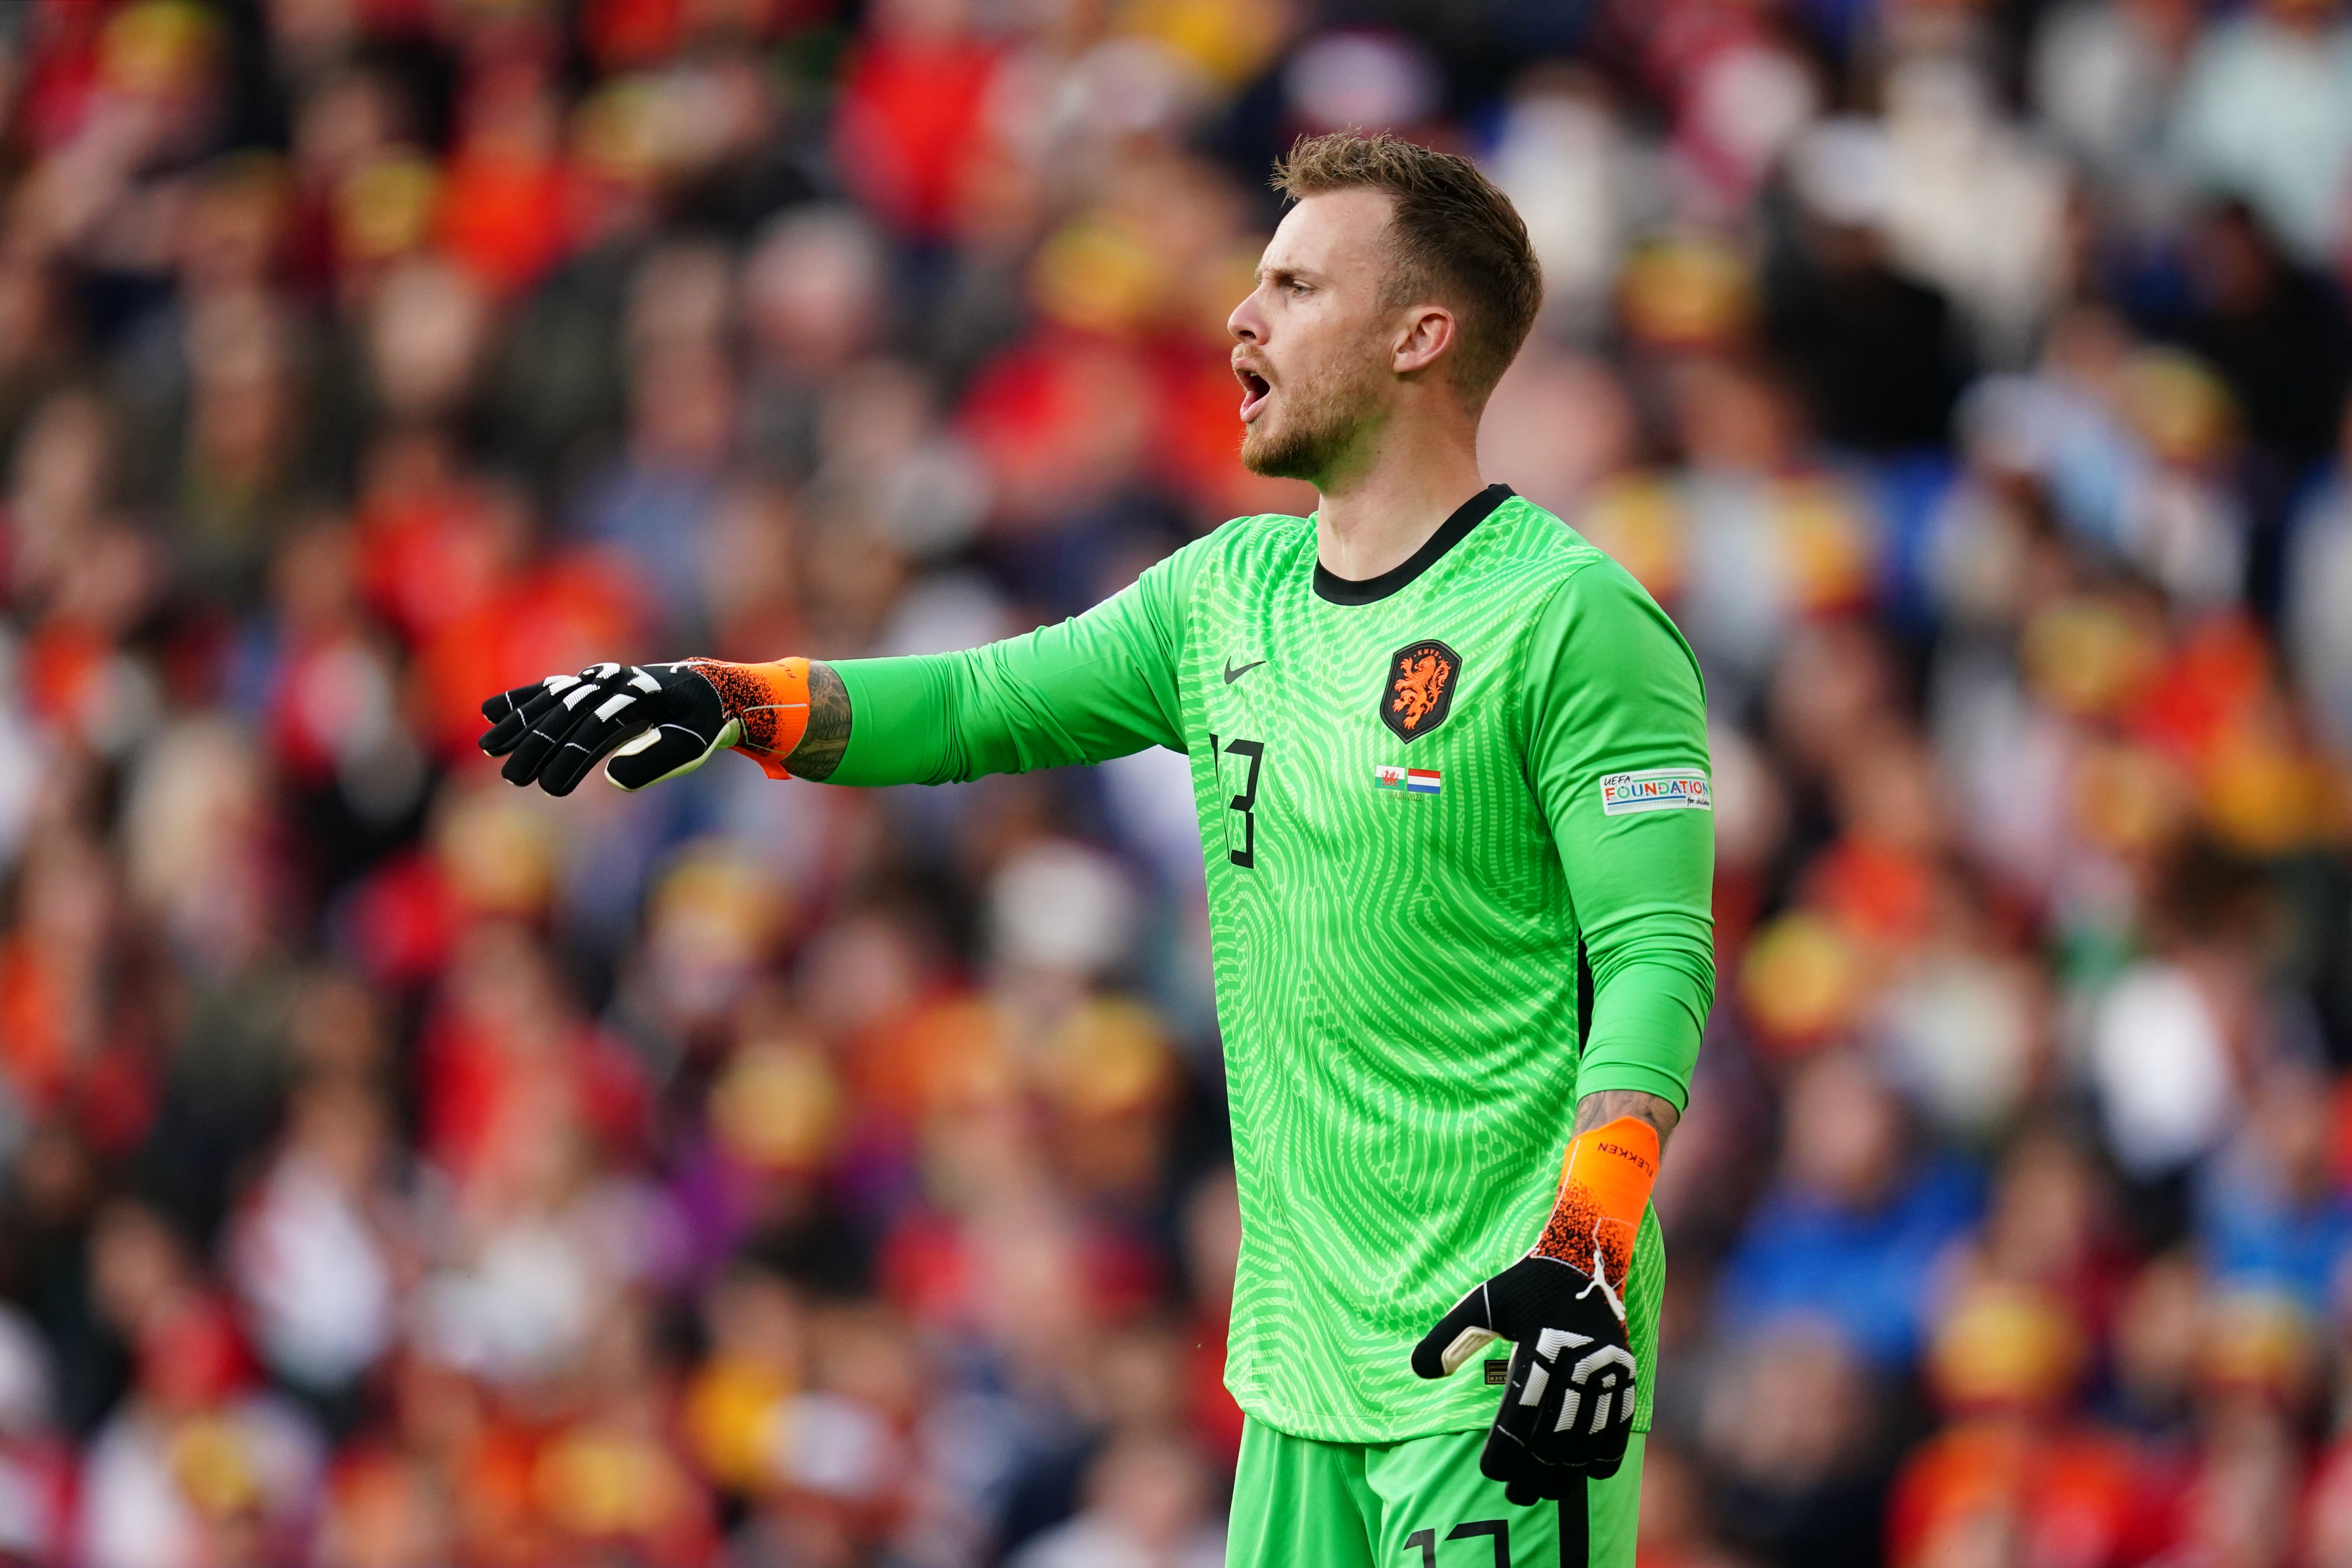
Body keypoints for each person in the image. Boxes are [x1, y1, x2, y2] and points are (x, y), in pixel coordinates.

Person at [479, 132, 1715, 1568]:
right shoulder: (1224, 595)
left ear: (1417, 337)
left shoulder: (1572, 620)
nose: (1240, 318)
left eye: (1297, 287)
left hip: (1506, 1349)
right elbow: (973, 702)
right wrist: (722, 697)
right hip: (1296, 1376)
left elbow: (1654, 954)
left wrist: (1589, 1249)